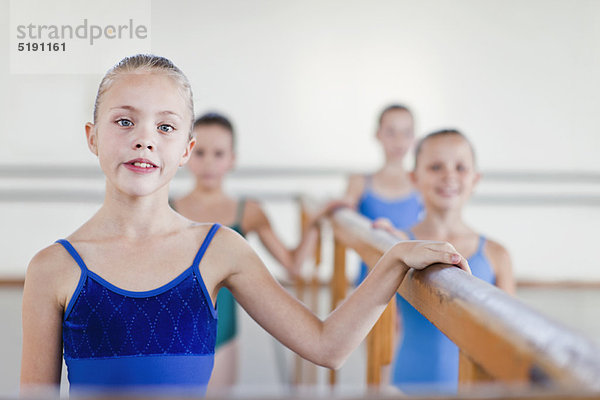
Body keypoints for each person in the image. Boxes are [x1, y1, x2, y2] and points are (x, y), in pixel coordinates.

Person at [20, 54, 470, 396]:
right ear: (92, 136)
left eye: (166, 127)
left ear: (185, 149)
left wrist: (393, 261)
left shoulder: (221, 249)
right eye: (124, 121)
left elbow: (327, 346)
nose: (144, 138)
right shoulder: (52, 269)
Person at [171, 112, 321, 388]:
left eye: (219, 153)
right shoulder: (165, 209)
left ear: (232, 159)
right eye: (201, 152)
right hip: (168, 336)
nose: (209, 163)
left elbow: (292, 265)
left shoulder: (249, 212)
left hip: (223, 338)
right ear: (186, 153)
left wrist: (314, 224)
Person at [374, 129, 515, 394]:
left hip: (475, 390)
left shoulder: (497, 255)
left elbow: (508, 341)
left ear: (475, 179)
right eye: (436, 166)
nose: (449, 176)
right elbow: (379, 318)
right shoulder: (399, 245)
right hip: (408, 383)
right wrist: (383, 243)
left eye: (460, 167)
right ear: (414, 178)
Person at [344, 105, 423, 284]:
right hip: (370, 280)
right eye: (391, 132)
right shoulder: (359, 182)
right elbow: (345, 225)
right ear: (378, 134)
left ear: (414, 138)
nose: (399, 140)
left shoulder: (421, 184)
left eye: (406, 132)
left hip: (411, 281)